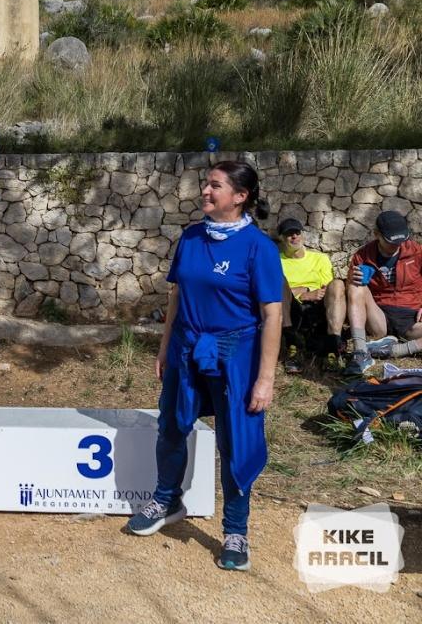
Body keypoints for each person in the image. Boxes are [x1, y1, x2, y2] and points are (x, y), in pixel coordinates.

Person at [125, 160, 281, 572]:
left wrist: (265, 378)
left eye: (215, 186)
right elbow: (176, 296)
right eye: (206, 184)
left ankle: (236, 530)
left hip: (237, 353)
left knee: (236, 441)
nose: (205, 192)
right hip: (186, 345)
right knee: (172, 425)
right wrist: (164, 348)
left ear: (241, 196)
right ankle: (166, 498)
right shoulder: (191, 237)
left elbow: (272, 316)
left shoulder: (258, 248)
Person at [345, 210, 422, 375]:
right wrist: (351, 278)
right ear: (376, 235)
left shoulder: (416, 252)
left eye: (401, 240)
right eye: (391, 241)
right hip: (379, 316)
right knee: (355, 285)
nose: (397, 245)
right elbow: (353, 296)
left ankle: (394, 350)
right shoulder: (363, 255)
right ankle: (360, 352)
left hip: (411, 318)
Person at [276, 217, 345, 372]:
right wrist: (304, 293)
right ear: (281, 238)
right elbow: (274, 292)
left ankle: (333, 344)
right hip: (290, 309)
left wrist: (307, 291)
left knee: (338, 284)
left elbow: (328, 289)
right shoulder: (276, 260)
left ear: (303, 235)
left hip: (318, 306)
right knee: (280, 281)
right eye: (289, 234)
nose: (294, 237)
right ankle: (291, 341)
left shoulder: (320, 258)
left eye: (297, 233)